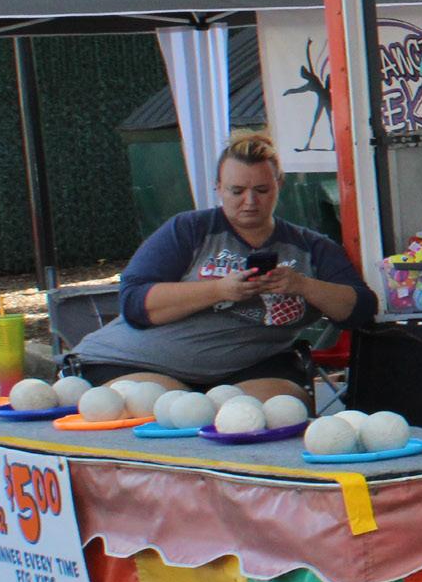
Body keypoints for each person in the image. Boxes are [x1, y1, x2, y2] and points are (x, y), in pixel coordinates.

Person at [76, 132, 374, 397]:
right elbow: (134, 303)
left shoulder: (312, 247)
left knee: (275, 412)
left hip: (249, 371)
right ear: (218, 188)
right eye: (237, 191)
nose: (250, 201)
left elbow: (360, 309)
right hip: (134, 362)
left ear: (279, 185)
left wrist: (303, 285)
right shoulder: (189, 229)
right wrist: (219, 290)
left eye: (261, 190)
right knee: (167, 408)